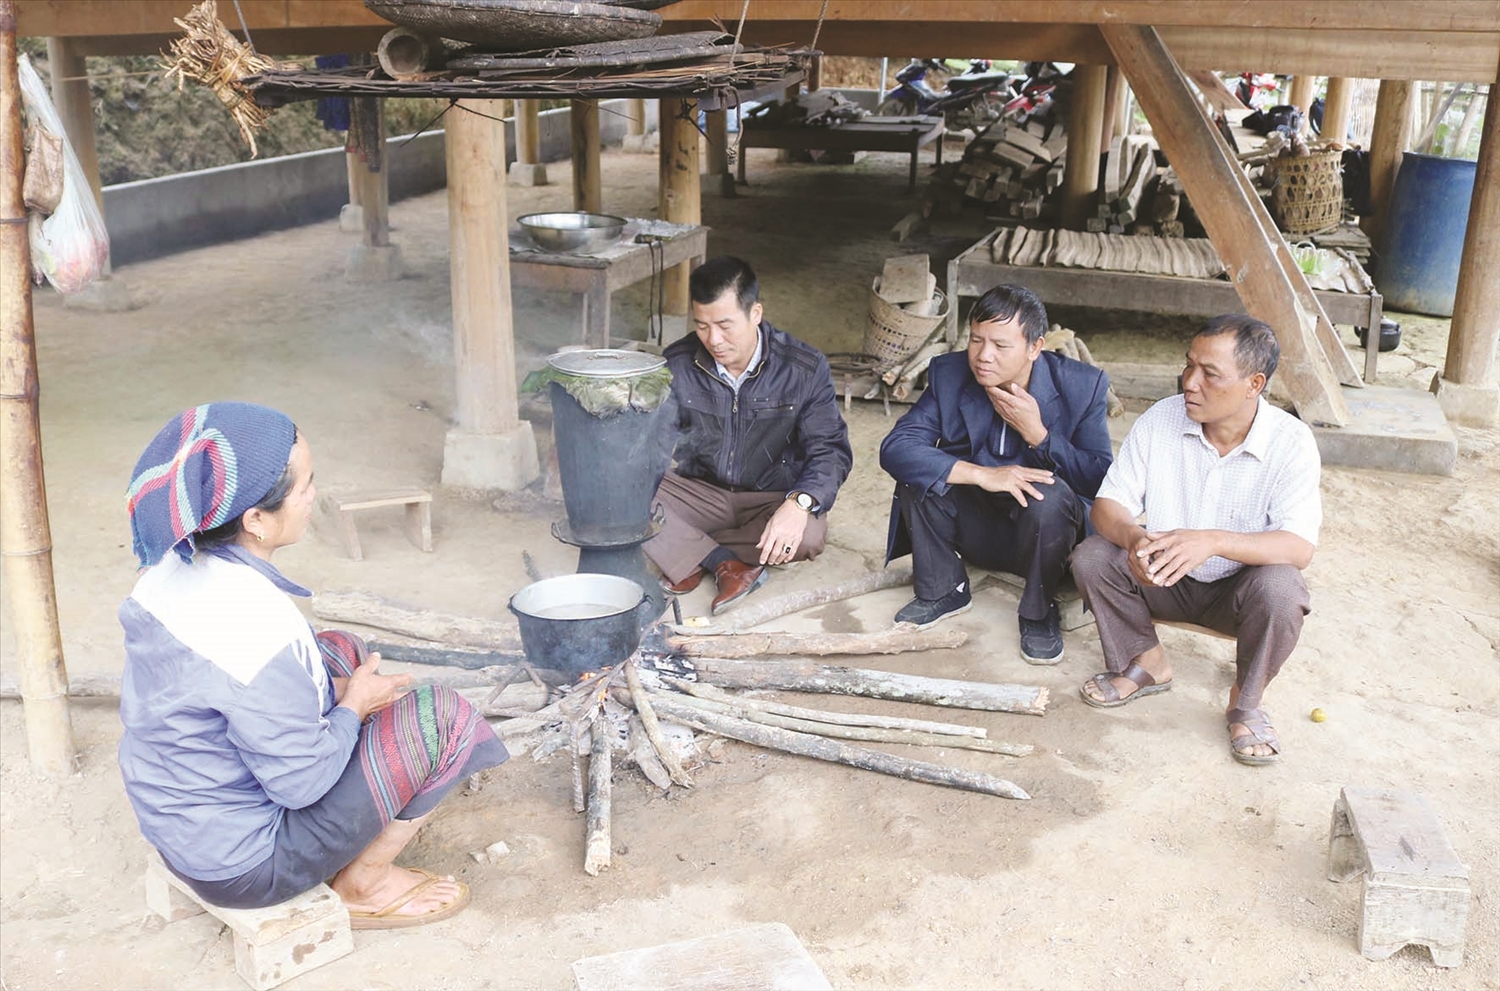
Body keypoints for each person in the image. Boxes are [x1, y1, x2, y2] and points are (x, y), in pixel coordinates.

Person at [118, 402, 508, 924]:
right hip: (246, 865)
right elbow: (300, 787)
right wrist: (352, 709)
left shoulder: (167, 568)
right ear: (255, 518)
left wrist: (345, 695)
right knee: (443, 720)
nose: (313, 497)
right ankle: (363, 886)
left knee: (336, 648)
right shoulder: (258, 632)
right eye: (305, 487)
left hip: (182, 820)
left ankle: (350, 733)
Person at [1070, 315, 1320, 765]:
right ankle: (1147, 662)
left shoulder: (1291, 442)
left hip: (1239, 594)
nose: (1190, 382)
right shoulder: (1160, 419)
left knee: (1283, 588)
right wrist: (1135, 539)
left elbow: (1299, 546)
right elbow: (1107, 505)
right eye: (1189, 366)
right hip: (1163, 578)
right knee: (1092, 557)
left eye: (1210, 373)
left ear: (1254, 384)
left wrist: (1212, 541)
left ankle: (1244, 703)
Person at [879, 284, 1113, 662]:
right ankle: (944, 588)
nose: (983, 356)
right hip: (977, 526)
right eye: (975, 341)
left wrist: (1039, 435)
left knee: (1048, 494)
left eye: (1001, 346)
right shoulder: (949, 374)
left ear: (1035, 348)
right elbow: (897, 447)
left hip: (1045, 536)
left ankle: (1038, 611)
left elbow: (1101, 480)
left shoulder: (1083, 386)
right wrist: (983, 475)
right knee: (921, 471)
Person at [645, 256, 853, 615]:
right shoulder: (678, 362)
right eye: (702, 326)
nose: (713, 339)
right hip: (701, 492)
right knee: (623, 493)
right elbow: (654, 446)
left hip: (772, 495)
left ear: (755, 313)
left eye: (725, 325)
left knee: (808, 536)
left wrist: (799, 503)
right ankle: (724, 562)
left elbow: (831, 450)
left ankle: (685, 553)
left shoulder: (804, 367)